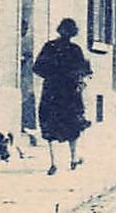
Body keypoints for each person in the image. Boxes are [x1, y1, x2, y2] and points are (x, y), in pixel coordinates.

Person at [32, 17, 92, 175]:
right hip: (70, 92)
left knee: (50, 124)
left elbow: (37, 68)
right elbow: (85, 70)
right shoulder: (75, 50)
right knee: (73, 124)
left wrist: (51, 75)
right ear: (73, 33)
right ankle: (73, 159)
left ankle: (54, 163)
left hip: (51, 91)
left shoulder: (49, 47)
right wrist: (78, 80)